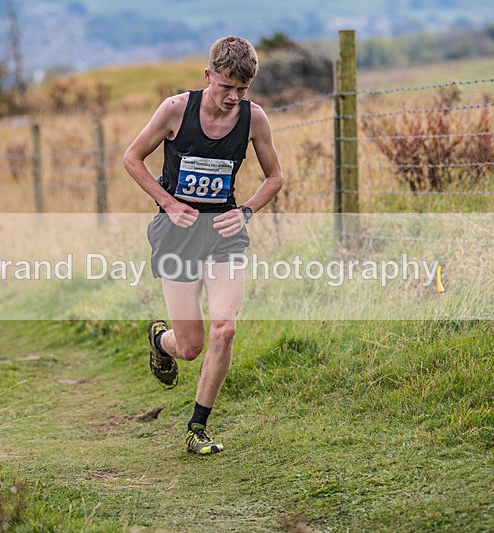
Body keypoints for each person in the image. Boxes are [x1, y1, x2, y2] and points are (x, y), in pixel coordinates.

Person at [123, 36, 283, 455]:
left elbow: (274, 177)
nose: (233, 98)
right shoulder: (176, 110)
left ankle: (198, 428)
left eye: (242, 91)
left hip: (223, 236)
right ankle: (162, 341)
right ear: (208, 75)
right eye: (226, 87)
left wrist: (246, 210)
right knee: (190, 346)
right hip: (176, 235)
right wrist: (168, 202)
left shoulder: (254, 119)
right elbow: (132, 158)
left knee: (225, 328)